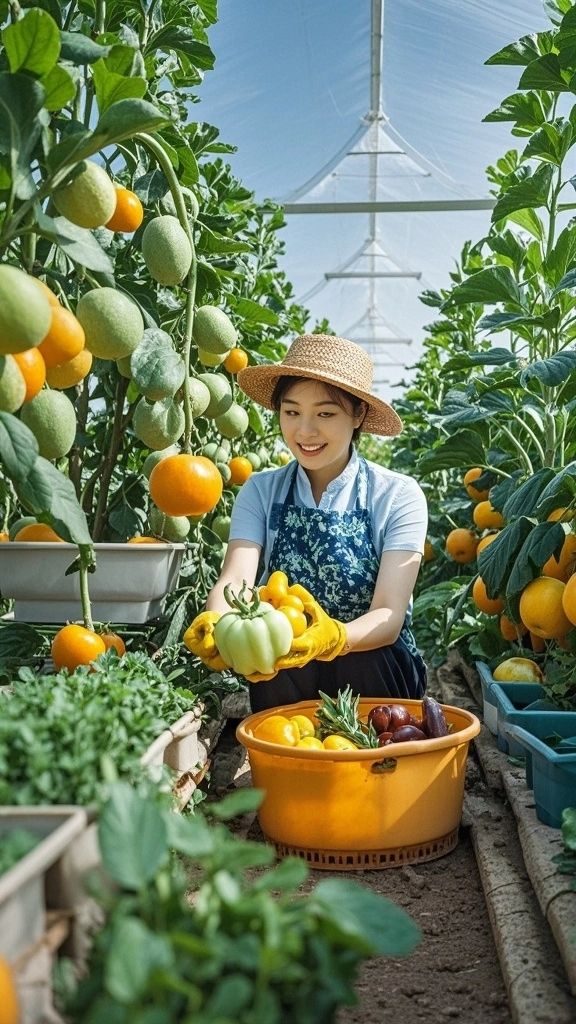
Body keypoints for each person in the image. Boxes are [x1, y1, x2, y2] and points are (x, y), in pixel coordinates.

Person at [188, 333, 428, 712]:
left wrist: (333, 638)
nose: (304, 431)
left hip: (375, 673)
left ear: (359, 415)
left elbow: (388, 614)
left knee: (364, 654)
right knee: (273, 649)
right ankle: (286, 749)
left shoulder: (396, 495)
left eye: (325, 413)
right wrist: (214, 624)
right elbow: (236, 579)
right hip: (289, 671)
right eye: (292, 411)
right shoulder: (261, 491)